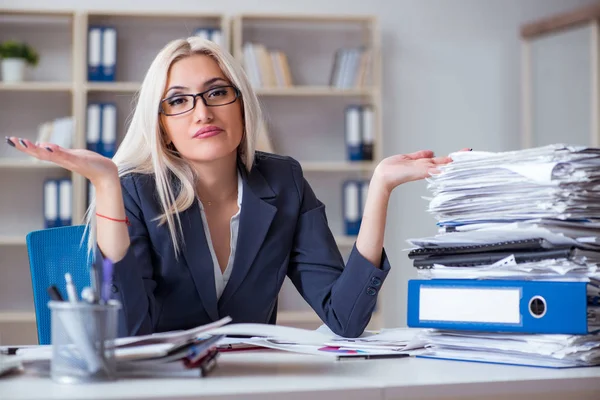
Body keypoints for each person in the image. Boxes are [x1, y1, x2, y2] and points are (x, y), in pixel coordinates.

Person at [5, 37, 456, 338]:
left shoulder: (284, 182)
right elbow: (130, 331)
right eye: (179, 101)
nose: (202, 112)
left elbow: (346, 317)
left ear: (241, 105)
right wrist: (106, 183)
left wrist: (379, 188)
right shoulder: (137, 193)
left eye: (217, 92)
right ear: (161, 128)